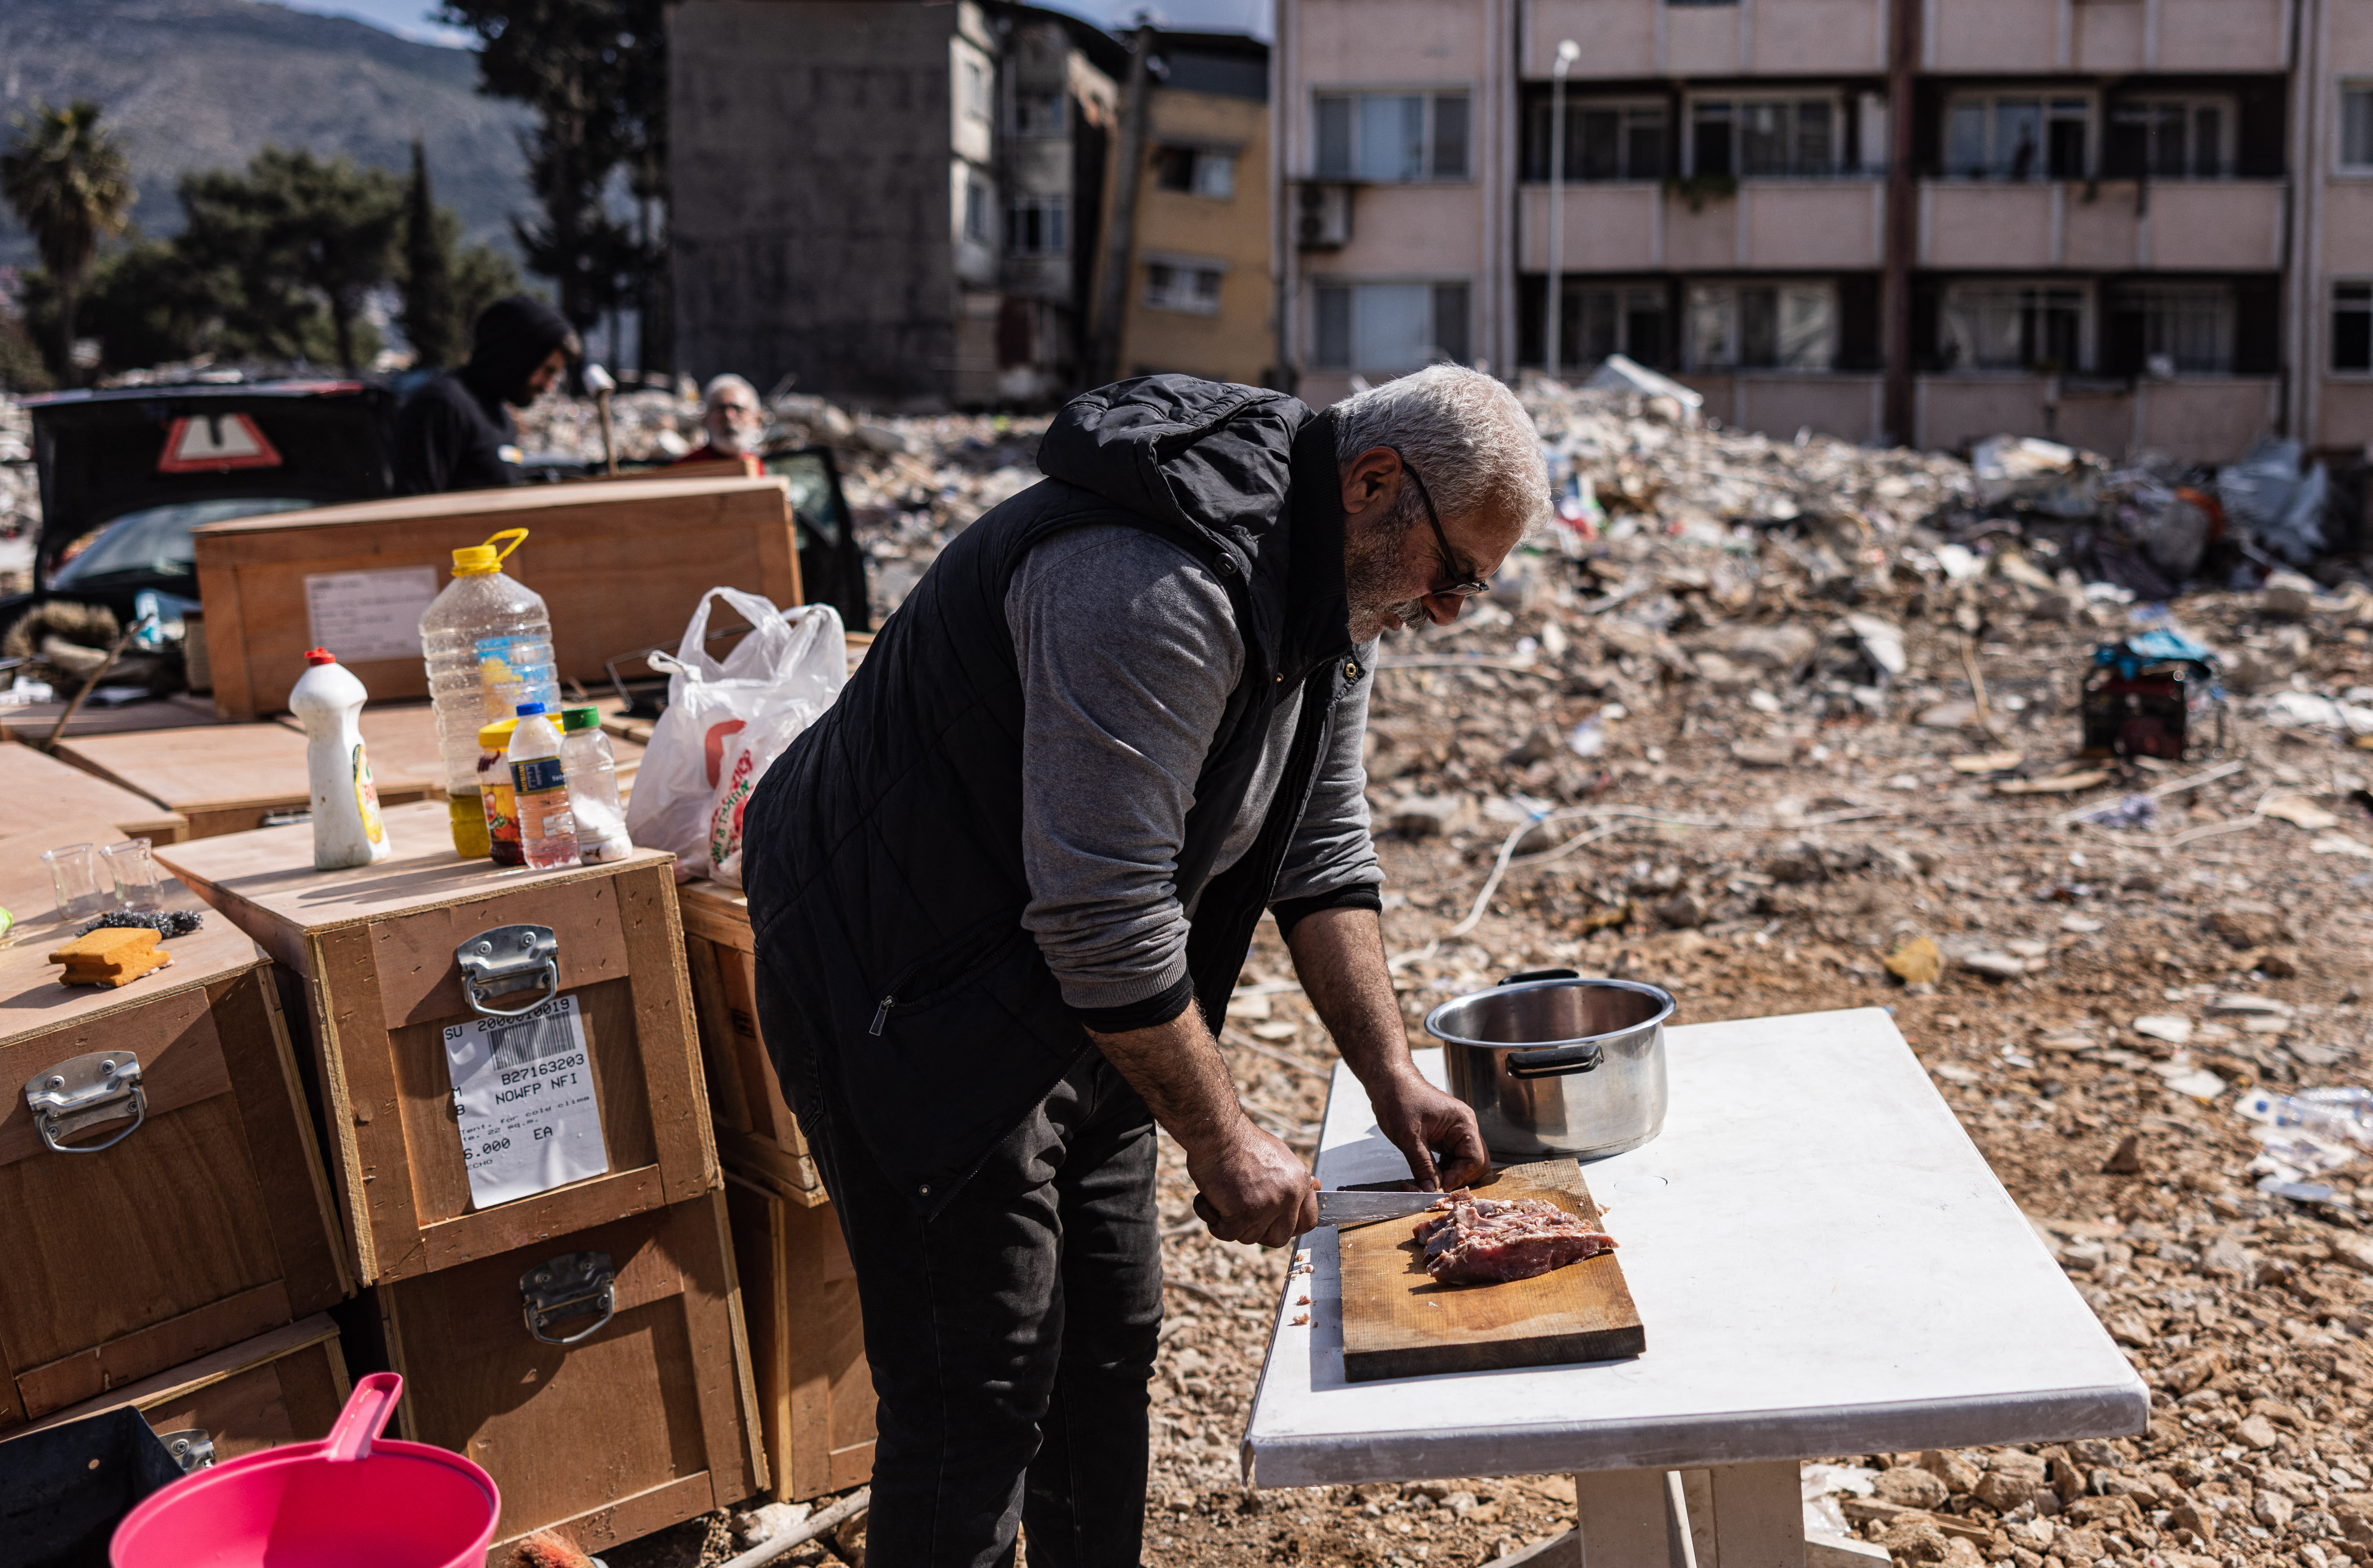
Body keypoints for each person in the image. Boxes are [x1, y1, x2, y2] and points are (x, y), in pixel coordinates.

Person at [743, 365, 1549, 1566]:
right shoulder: (1150, 583)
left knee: (1107, 1346)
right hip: (897, 984)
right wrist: (1224, 1139)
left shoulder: (1334, 585)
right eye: (1457, 575)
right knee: (978, 1400)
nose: (1448, 611)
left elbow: (1317, 848)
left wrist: (1392, 1076)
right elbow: (1103, 918)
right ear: (1375, 481)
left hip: (1074, 977)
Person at [390, 295, 581, 494]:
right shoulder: (443, 406)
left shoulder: (500, 417)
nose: (549, 386)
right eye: (547, 371)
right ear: (518, 357)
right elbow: (414, 509)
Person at [671, 372, 767, 475]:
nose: (729, 417)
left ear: (757, 420)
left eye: (738, 409)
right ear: (705, 419)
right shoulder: (687, 468)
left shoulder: (757, 466)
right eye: (721, 409)